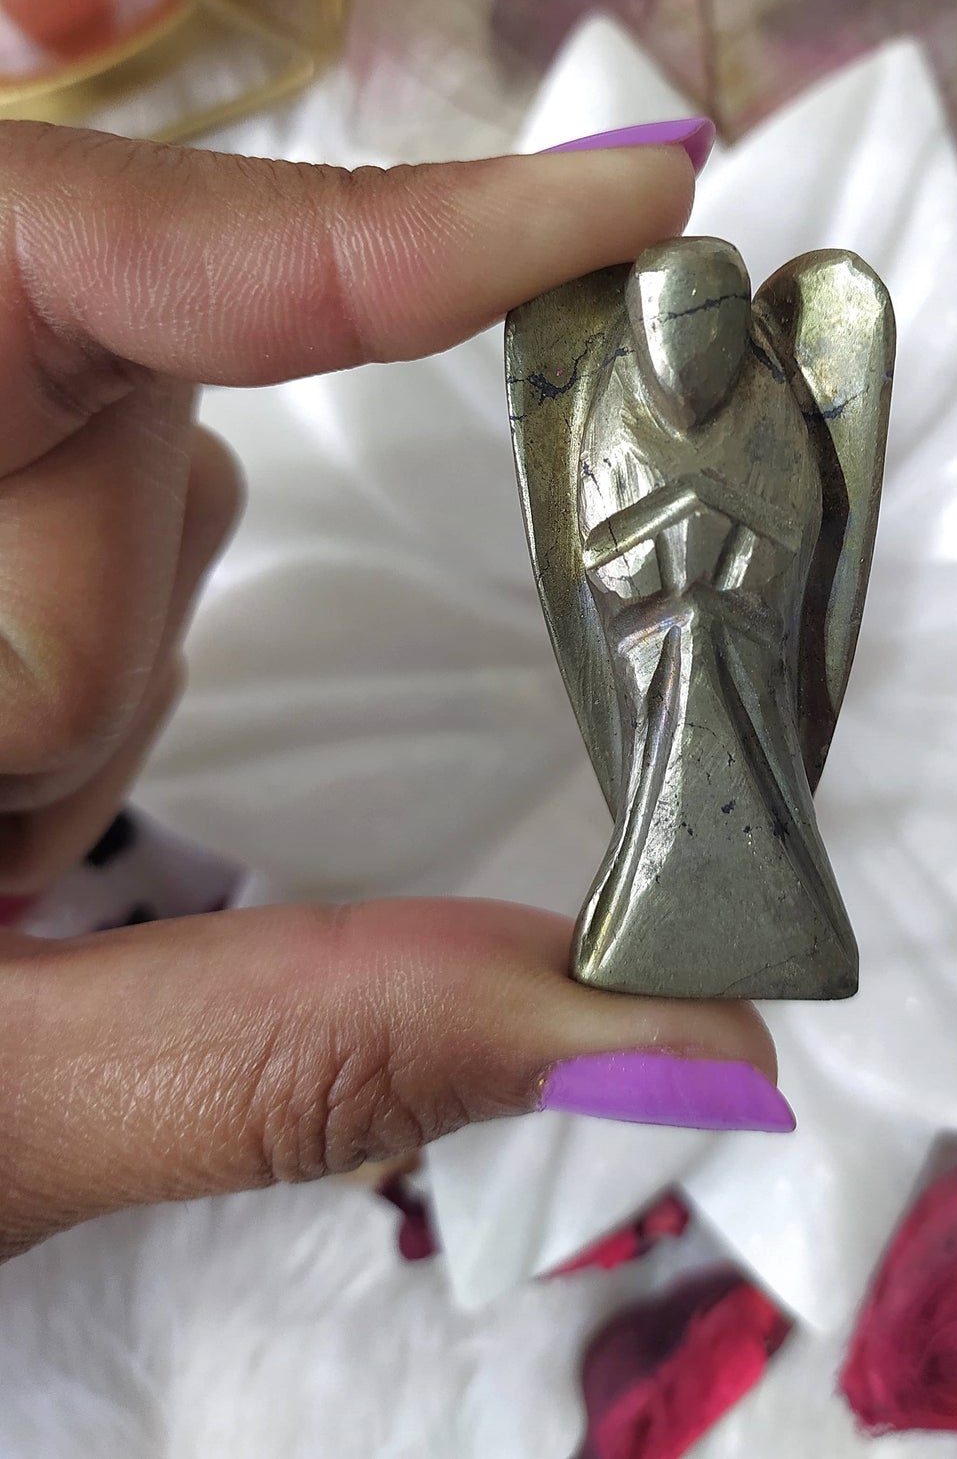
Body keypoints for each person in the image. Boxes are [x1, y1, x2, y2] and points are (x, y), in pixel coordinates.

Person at [0, 117, 779, 1264]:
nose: (687, 356)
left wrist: (707, 549)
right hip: (658, 637)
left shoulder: (761, 430)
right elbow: (609, 538)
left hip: (711, 638)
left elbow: (768, 532)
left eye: (702, 332)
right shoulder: (603, 415)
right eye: (674, 330)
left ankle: (735, 896)